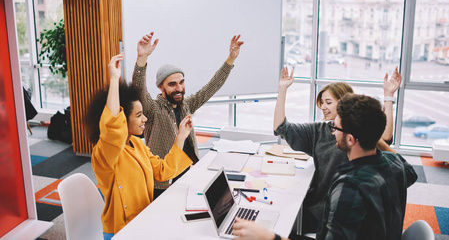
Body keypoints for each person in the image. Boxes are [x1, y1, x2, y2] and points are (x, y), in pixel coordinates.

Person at [232, 94, 417, 240]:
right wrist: (370, 132)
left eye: (335, 128)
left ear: (351, 139)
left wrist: (269, 238)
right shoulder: (395, 163)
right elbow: (412, 173)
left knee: (268, 230)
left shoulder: (349, 188)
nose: (333, 131)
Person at [272, 66, 401, 233]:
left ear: (344, 103)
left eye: (328, 102)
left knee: (279, 224)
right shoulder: (320, 129)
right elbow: (282, 127)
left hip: (328, 211)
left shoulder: (356, 137)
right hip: (318, 202)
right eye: (322, 103)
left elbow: (384, 137)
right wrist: (282, 89)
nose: (323, 107)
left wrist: (388, 97)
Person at [85, 53, 193, 239]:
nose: (145, 119)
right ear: (122, 120)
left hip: (143, 220)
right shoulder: (106, 152)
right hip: (122, 230)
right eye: (138, 115)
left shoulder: (136, 143)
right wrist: (113, 79)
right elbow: (111, 127)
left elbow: (162, 171)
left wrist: (181, 136)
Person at [132, 32, 244, 198]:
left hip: (185, 172)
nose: (179, 88)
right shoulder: (153, 109)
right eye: (172, 84)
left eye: (181, 82)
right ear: (161, 87)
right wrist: (142, 59)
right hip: (162, 182)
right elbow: (139, 89)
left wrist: (231, 59)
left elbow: (212, 86)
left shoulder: (186, 104)